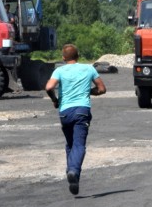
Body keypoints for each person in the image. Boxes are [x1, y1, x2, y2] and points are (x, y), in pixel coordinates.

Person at [44, 44, 107, 195]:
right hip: (82, 111)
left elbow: (48, 87)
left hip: (65, 113)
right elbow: (102, 89)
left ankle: (72, 174)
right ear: (78, 56)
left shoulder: (59, 70)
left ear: (63, 57)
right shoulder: (89, 69)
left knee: (70, 145)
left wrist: (55, 100)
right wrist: (90, 91)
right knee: (79, 145)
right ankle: (73, 171)